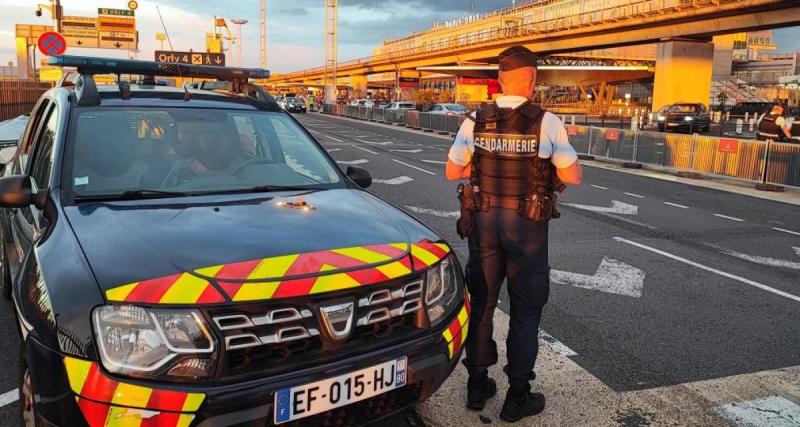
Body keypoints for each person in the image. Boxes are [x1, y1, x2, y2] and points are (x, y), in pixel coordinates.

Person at [445, 45, 583, 423]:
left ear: (501, 80)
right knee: (525, 314)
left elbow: (452, 172)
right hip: (527, 231)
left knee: (482, 306)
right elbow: (573, 176)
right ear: (533, 80)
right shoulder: (547, 121)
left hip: (484, 224)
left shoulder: (476, 120)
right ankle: (517, 397)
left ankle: (477, 386)